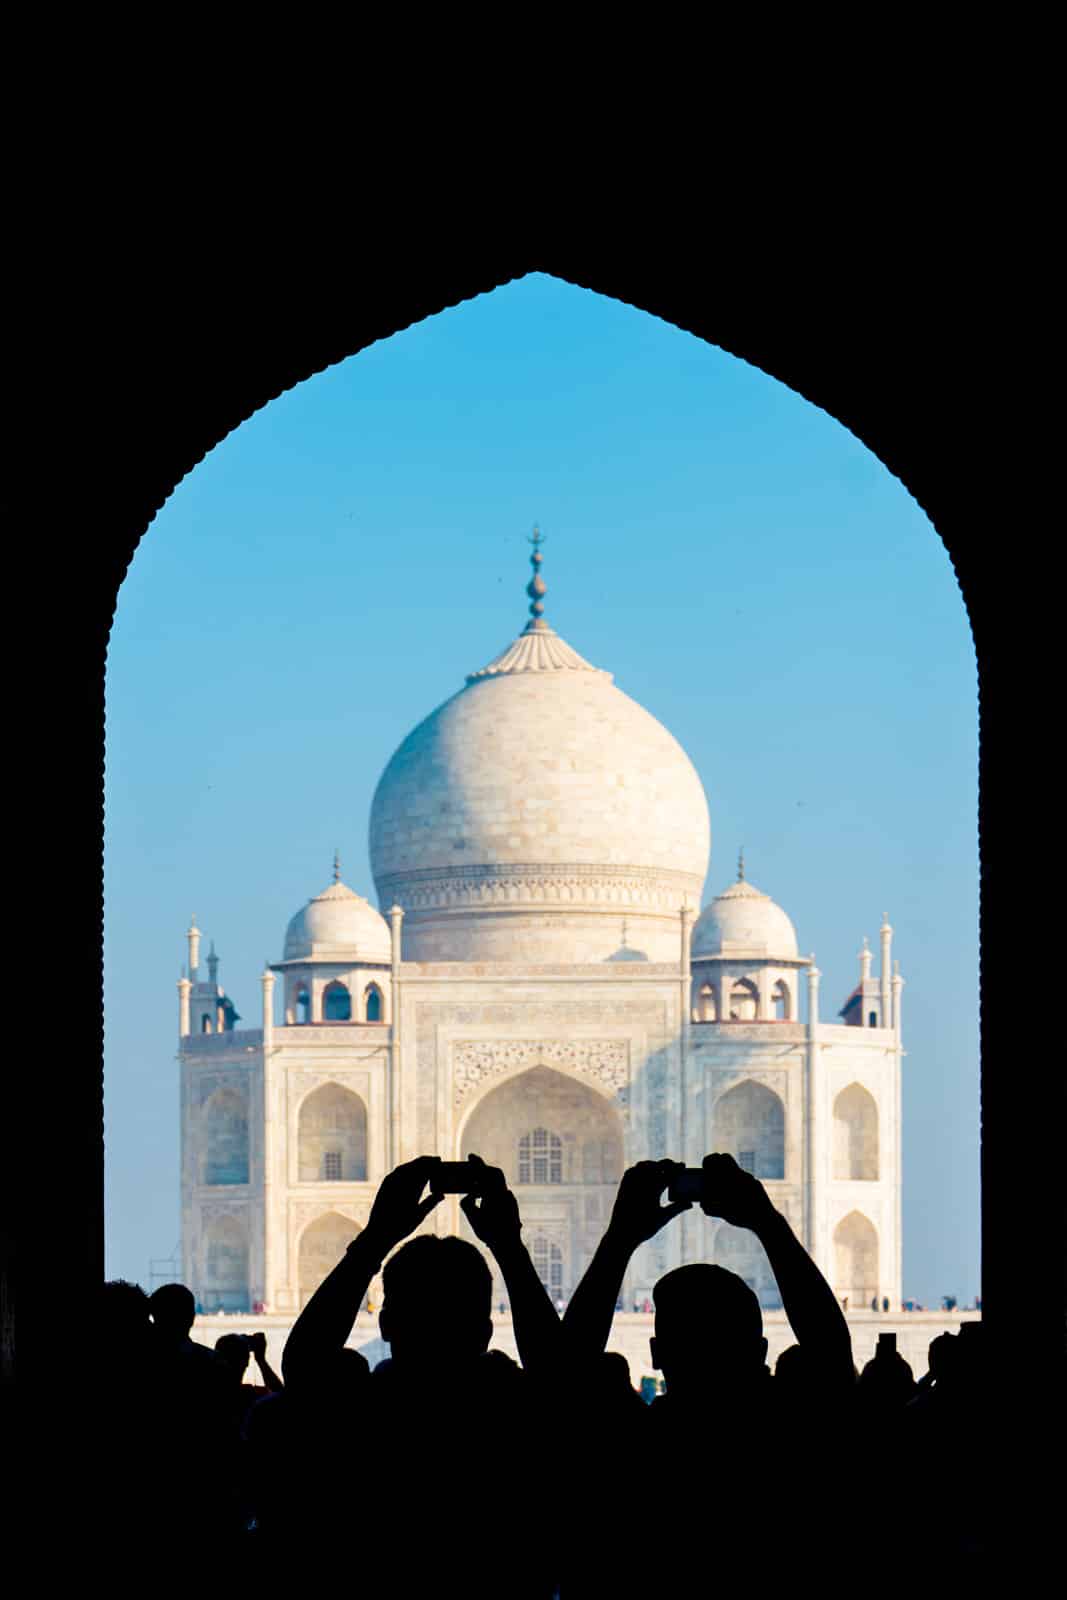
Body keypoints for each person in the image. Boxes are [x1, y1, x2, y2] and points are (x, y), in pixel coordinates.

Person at [559, 1153, 857, 1587]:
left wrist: (619, 1239)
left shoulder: (637, 1444)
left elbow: (566, 1373)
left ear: (657, 1354)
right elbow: (830, 1349)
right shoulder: (792, 1432)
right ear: (760, 1350)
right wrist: (766, 1221)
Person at [274, 1153, 562, 1594]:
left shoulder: (367, 1413)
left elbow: (304, 1363)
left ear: (387, 1325)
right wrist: (509, 1245)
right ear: (486, 1332)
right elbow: (560, 1377)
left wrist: (376, 1237)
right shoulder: (513, 1410)